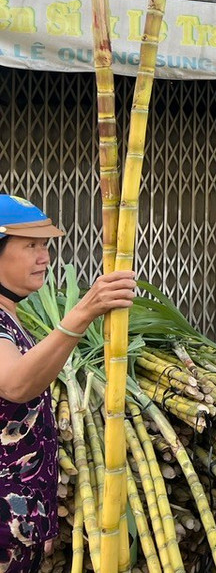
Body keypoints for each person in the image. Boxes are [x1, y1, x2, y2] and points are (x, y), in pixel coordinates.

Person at [0, 195, 137, 573]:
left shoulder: (13, 319)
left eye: (45, 246)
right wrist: (83, 312)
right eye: (30, 246)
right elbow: (14, 385)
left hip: (18, 520)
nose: (44, 257)